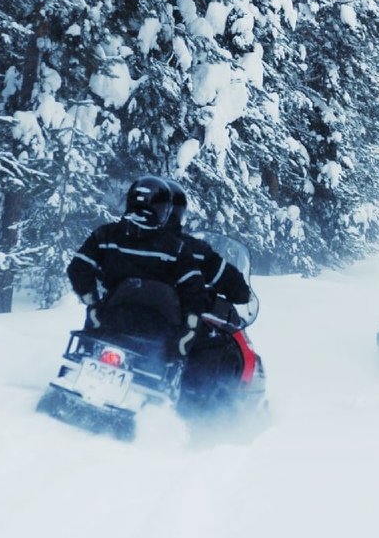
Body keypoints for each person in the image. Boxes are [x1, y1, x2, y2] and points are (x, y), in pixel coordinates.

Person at [67, 175, 208, 359]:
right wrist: (190, 323)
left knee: (86, 350)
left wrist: (92, 302)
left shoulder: (106, 235)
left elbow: (78, 267)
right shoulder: (174, 247)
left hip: (112, 317)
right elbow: (194, 288)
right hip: (159, 327)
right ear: (164, 210)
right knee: (172, 362)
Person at [158, 179, 261, 419]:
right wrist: (239, 290)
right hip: (177, 325)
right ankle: (203, 410)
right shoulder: (191, 249)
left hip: (133, 321)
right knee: (213, 347)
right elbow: (228, 278)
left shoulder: (131, 239)